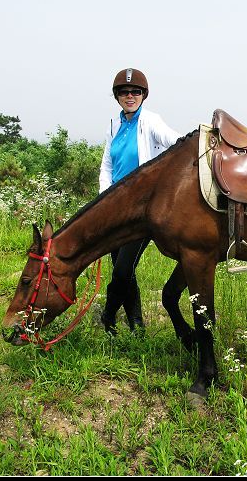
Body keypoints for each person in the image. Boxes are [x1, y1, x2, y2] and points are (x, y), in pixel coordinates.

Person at [99, 67, 182, 335]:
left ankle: (108, 316)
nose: (130, 96)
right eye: (124, 92)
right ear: (117, 97)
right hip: (114, 206)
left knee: (123, 269)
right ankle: (136, 322)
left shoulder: (151, 121)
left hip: (140, 209)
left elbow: (174, 142)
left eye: (135, 91)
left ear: (144, 95)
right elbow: (107, 165)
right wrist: (105, 198)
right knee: (123, 268)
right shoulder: (115, 125)